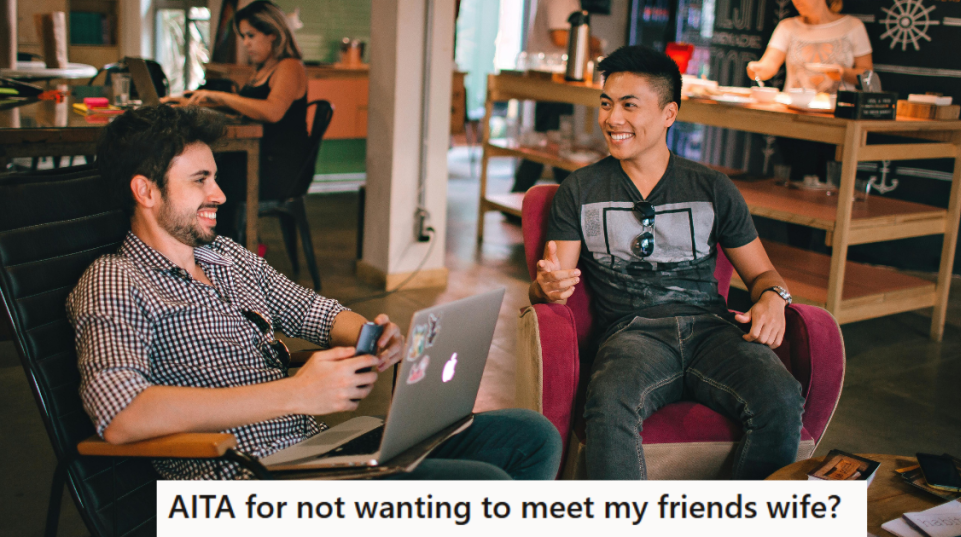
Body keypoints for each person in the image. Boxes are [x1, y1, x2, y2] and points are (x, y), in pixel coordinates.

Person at [68, 105, 562, 480]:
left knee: (530, 436)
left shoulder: (225, 255)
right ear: (146, 192)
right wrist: (295, 393)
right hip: (248, 480)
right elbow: (121, 415)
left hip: (313, 451)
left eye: (215, 177)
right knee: (481, 485)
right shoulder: (116, 280)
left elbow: (309, 309)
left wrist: (369, 334)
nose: (219, 194)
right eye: (200, 180)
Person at [529, 46, 804, 480]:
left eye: (629, 105)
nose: (612, 119)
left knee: (781, 396)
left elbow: (763, 274)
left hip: (714, 331)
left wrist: (774, 297)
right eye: (606, 104)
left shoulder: (712, 187)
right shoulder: (579, 190)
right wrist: (545, 289)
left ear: (669, 114)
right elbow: (551, 281)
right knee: (608, 402)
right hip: (631, 334)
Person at [163, 0, 310, 241]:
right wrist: (198, 100)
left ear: (272, 33)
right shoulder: (263, 68)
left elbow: (272, 111)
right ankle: (206, 245)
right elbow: (248, 108)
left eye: (251, 35)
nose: (246, 43)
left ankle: (218, 248)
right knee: (201, 171)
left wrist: (218, 96)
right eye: (243, 36)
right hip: (259, 157)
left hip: (279, 168)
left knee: (206, 178)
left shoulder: (290, 67)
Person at [746, 0, 873, 186]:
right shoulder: (787, 26)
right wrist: (755, 69)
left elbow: (867, 73)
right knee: (794, 183)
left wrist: (842, 72)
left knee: (831, 184)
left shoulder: (853, 26)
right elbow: (768, 66)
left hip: (837, 118)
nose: (796, 1)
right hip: (796, 117)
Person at [511, 0, 602, 194]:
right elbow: (559, 37)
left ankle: (565, 199)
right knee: (551, 141)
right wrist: (594, 42)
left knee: (553, 141)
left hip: (558, 77)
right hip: (554, 77)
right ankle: (563, 199)